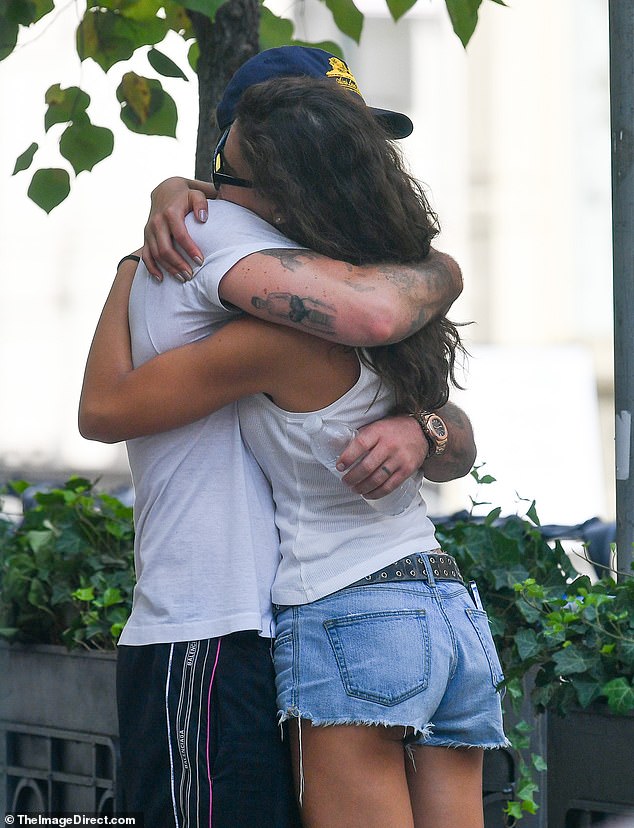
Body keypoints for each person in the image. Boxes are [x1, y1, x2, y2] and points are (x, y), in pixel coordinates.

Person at [80, 74, 506, 828]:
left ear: (283, 194)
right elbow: (440, 407)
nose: (218, 191)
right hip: (446, 610)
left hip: (349, 613)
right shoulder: (398, 307)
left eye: (230, 174)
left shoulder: (284, 333)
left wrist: (127, 267)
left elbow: (107, 409)